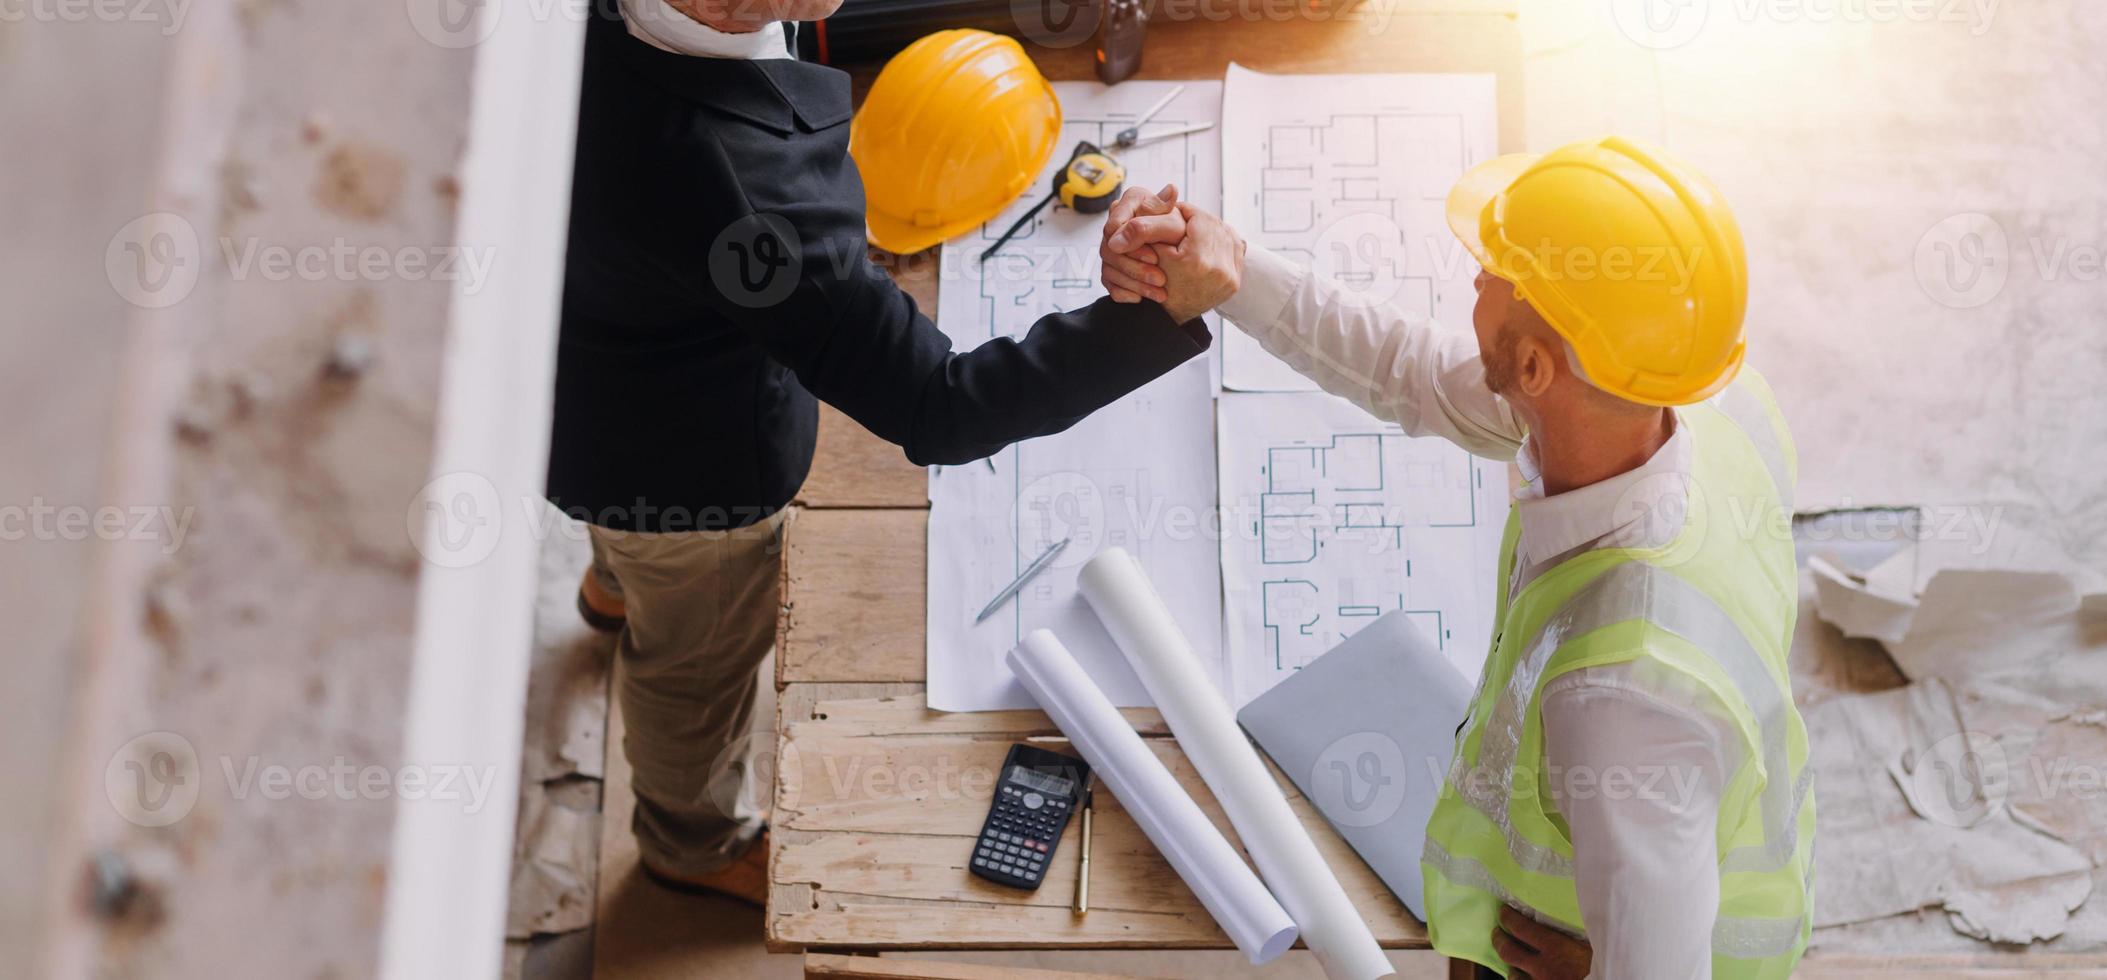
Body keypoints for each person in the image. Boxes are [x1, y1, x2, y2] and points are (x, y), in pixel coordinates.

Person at [548, 0, 1223, 905]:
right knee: (693, 664)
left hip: (589, 369)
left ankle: (613, 590)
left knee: (640, 564)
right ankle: (689, 842)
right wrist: (1153, 313)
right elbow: (939, 407)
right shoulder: (744, 192)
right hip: (686, 475)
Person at [1101, 137, 1813, 979]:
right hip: (1632, 874)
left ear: (1535, 366)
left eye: (1493, 276)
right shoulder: (1678, 395)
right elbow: (1409, 371)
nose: (1473, 279)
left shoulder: (1624, 708)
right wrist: (1232, 272)